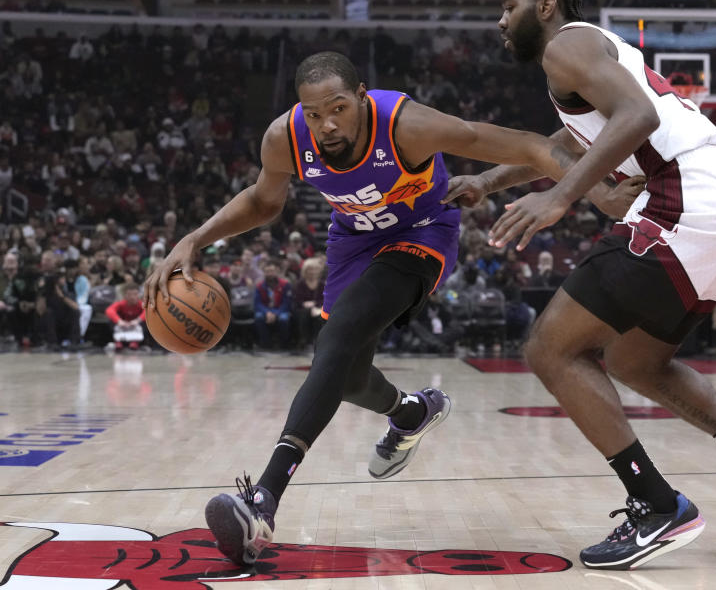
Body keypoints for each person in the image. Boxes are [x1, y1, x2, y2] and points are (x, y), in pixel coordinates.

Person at [144, 50, 639, 566]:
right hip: (352, 240)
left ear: (361, 97)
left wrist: (597, 193)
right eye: (314, 114)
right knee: (348, 375)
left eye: (337, 108)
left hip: (422, 233)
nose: (326, 124)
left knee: (333, 345)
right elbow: (265, 203)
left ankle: (263, 501)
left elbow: (531, 145)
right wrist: (195, 240)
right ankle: (412, 412)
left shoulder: (408, 126)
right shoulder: (284, 137)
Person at [448, 0, 716, 570]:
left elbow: (638, 120)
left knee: (550, 348)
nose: (500, 17)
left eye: (509, 5)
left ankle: (656, 504)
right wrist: (491, 180)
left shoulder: (567, 44)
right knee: (633, 361)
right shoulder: (589, 57)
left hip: (688, 193)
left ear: (546, 7)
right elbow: (570, 142)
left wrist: (561, 197)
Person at [253, 257, 292, 350]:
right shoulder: (259, 286)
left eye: (272, 271)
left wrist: (275, 314)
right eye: (267, 271)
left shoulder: (285, 284)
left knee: (283, 319)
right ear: (264, 272)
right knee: (258, 317)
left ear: (277, 271)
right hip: (266, 310)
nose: (270, 273)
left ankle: (284, 344)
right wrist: (267, 312)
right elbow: (257, 304)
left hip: (280, 310)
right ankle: (265, 344)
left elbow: (287, 303)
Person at [292, 256, 325, 350]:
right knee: (305, 313)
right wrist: (305, 304)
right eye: (310, 269)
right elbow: (297, 300)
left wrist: (315, 305)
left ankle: (317, 340)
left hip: (318, 308)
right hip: (301, 309)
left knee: (320, 316)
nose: (312, 272)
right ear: (305, 270)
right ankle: (304, 340)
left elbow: (324, 299)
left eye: (315, 269)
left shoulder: (322, 284)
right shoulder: (299, 284)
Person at [105, 283, 144, 352]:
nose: (132, 297)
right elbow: (109, 310)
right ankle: (118, 341)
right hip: (123, 326)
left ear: (139, 295)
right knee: (111, 320)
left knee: (147, 321)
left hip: (137, 326)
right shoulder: (121, 304)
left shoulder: (141, 304)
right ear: (125, 295)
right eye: (129, 294)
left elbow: (147, 312)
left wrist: (138, 320)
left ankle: (135, 342)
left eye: (135, 294)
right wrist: (119, 321)